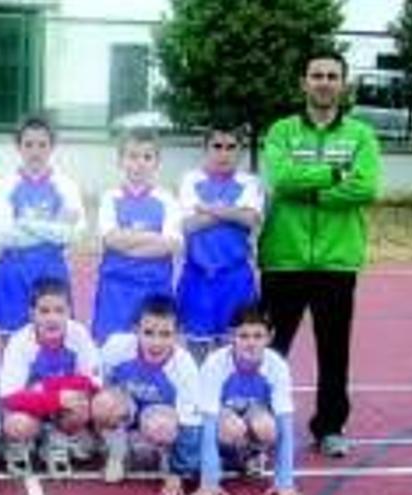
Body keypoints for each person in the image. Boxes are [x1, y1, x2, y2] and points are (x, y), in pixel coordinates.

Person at [258, 49, 381, 457]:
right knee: (269, 348)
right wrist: (334, 176)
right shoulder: (281, 131)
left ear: (343, 84)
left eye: (332, 75)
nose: (324, 82)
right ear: (303, 82)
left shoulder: (361, 135)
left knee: (334, 352)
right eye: (316, 75)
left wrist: (305, 187)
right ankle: (257, 422)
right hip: (283, 256)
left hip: (336, 260)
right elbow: (280, 179)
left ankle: (329, 426)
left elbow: (366, 188)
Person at [92, 295, 199, 494]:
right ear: (135, 330)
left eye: (165, 334)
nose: (156, 342)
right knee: (103, 402)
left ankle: (166, 460)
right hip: (126, 408)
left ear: (178, 335)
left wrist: (179, 472)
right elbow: (96, 383)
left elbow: (190, 421)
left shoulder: (184, 366)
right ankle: (117, 453)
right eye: (148, 333)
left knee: (162, 426)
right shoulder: (116, 347)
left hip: (159, 415)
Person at [0, 115, 86, 334]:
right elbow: (5, 236)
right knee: (10, 339)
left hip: (52, 270)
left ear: (52, 146)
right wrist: (54, 227)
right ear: (18, 146)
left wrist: (22, 224)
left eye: (42, 144)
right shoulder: (5, 185)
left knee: (52, 339)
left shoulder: (66, 185)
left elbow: (73, 234)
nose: (35, 151)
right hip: (12, 271)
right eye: (29, 144)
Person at [177, 122, 264, 360]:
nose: (223, 153)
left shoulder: (249, 183)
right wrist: (231, 213)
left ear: (241, 151)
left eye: (230, 147)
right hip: (198, 278)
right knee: (197, 353)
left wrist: (206, 209)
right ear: (205, 148)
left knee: (236, 351)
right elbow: (187, 225)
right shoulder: (190, 180)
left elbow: (250, 219)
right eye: (217, 146)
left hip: (236, 279)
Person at [0, 277, 100, 478]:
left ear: (70, 312)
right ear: (31, 314)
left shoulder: (79, 334)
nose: (52, 318)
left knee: (85, 406)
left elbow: (95, 382)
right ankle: (20, 442)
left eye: (59, 310)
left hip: (60, 405)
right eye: (44, 311)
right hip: (30, 410)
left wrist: (49, 389)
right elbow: (9, 397)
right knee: (16, 424)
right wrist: (55, 398)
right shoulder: (19, 342)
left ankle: (56, 439)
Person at [194, 305, 299, 495]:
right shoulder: (215, 363)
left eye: (258, 336)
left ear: (270, 337)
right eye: (243, 336)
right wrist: (208, 482)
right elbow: (207, 421)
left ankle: (253, 455)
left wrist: (285, 484)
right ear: (231, 336)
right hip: (225, 422)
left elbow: (285, 422)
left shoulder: (277, 365)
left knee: (267, 426)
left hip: (255, 417)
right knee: (231, 427)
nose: (251, 343)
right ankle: (222, 461)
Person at [92, 129, 182, 344]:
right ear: (120, 161)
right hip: (116, 289)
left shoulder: (167, 200)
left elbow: (170, 244)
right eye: (132, 156)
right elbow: (110, 239)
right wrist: (152, 236)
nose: (139, 163)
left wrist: (128, 244)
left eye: (147, 157)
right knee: (111, 349)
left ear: (157, 162)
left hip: (154, 287)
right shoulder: (110, 198)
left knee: (153, 349)